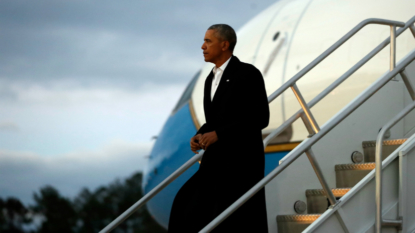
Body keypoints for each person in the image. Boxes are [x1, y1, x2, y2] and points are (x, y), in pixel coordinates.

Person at [168, 24, 269, 233]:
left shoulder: (248, 73)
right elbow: (215, 120)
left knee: (233, 222)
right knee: (184, 204)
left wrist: (219, 135)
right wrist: (199, 135)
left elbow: (260, 117)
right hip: (216, 163)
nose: (202, 46)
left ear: (224, 45)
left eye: (208, 41)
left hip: (240, 164)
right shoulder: (210, 79)